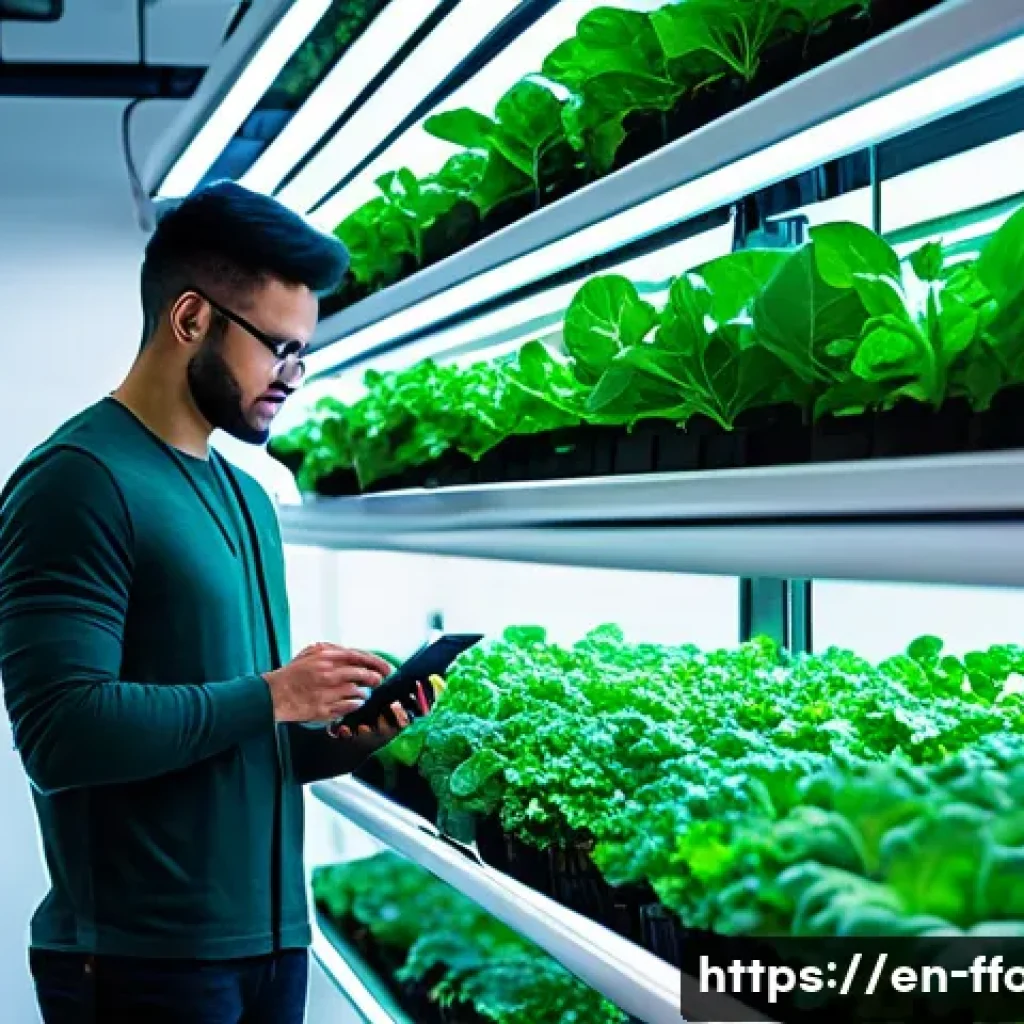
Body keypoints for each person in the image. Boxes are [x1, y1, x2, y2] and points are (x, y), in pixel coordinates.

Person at [0, 180, 418, 1023]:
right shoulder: (78, 483)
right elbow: (61, 734)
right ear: (191, 318)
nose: (293, 377)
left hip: (270, 950)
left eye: (303, 354)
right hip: (142, 963)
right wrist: (273, 694)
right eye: (279, 348)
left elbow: (229, 736)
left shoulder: (249, 500)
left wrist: (338, 740)